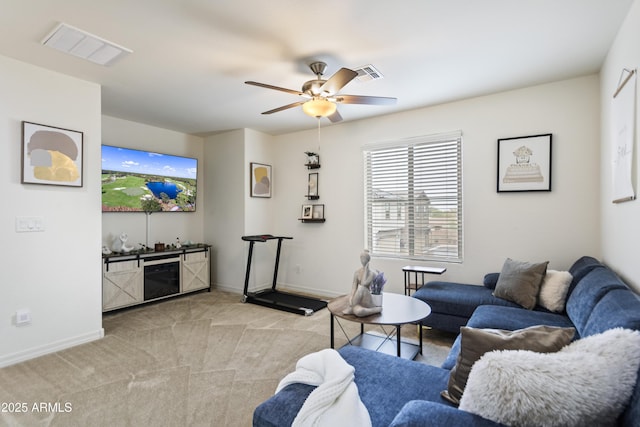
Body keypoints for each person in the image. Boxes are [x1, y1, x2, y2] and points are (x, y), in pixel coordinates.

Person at [343, 250, 382, 317]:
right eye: (361, 258)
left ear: (368, 260)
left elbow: (364, 283)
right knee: (358, 311)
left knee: (361, 288)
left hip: (366, 299)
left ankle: (352, 308)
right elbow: (354, 287)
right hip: (358, 301)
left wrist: (366, 271)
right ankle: (355, 309)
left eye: (364, 258)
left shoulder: (371, 274)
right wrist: (351, 298)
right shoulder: (357, 272)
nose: (362, 260)